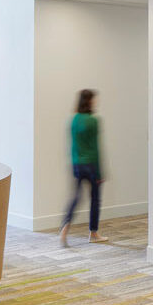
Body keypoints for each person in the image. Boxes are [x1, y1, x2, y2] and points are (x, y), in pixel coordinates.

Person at [59, 89, 109, 247]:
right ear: (88, 101)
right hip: (91, 165)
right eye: (94, 99)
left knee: (76, 197)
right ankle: (93, 233)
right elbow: (95, 148)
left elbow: (72, 146)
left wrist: (74, 165)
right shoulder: (93, 120)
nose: (95, 102)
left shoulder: (73, 120)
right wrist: (100, 172)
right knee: (95, 199)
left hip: (77, 164)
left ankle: (65, 229)